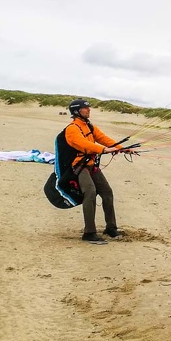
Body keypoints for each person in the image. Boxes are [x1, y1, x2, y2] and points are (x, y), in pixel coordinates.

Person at [64, 98, 127, 245]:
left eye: (88, 108)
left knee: (107, 192)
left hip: (92, 166)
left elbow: (103, 139)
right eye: (85, 108)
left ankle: (111, 228)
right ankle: (89, 232)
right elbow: (83, 144)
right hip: (79, 166)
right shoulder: (72, 129)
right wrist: (103, 150)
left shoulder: (90, 126)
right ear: (76, 111)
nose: (89, 110)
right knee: (90, 192)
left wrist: (121, 148)